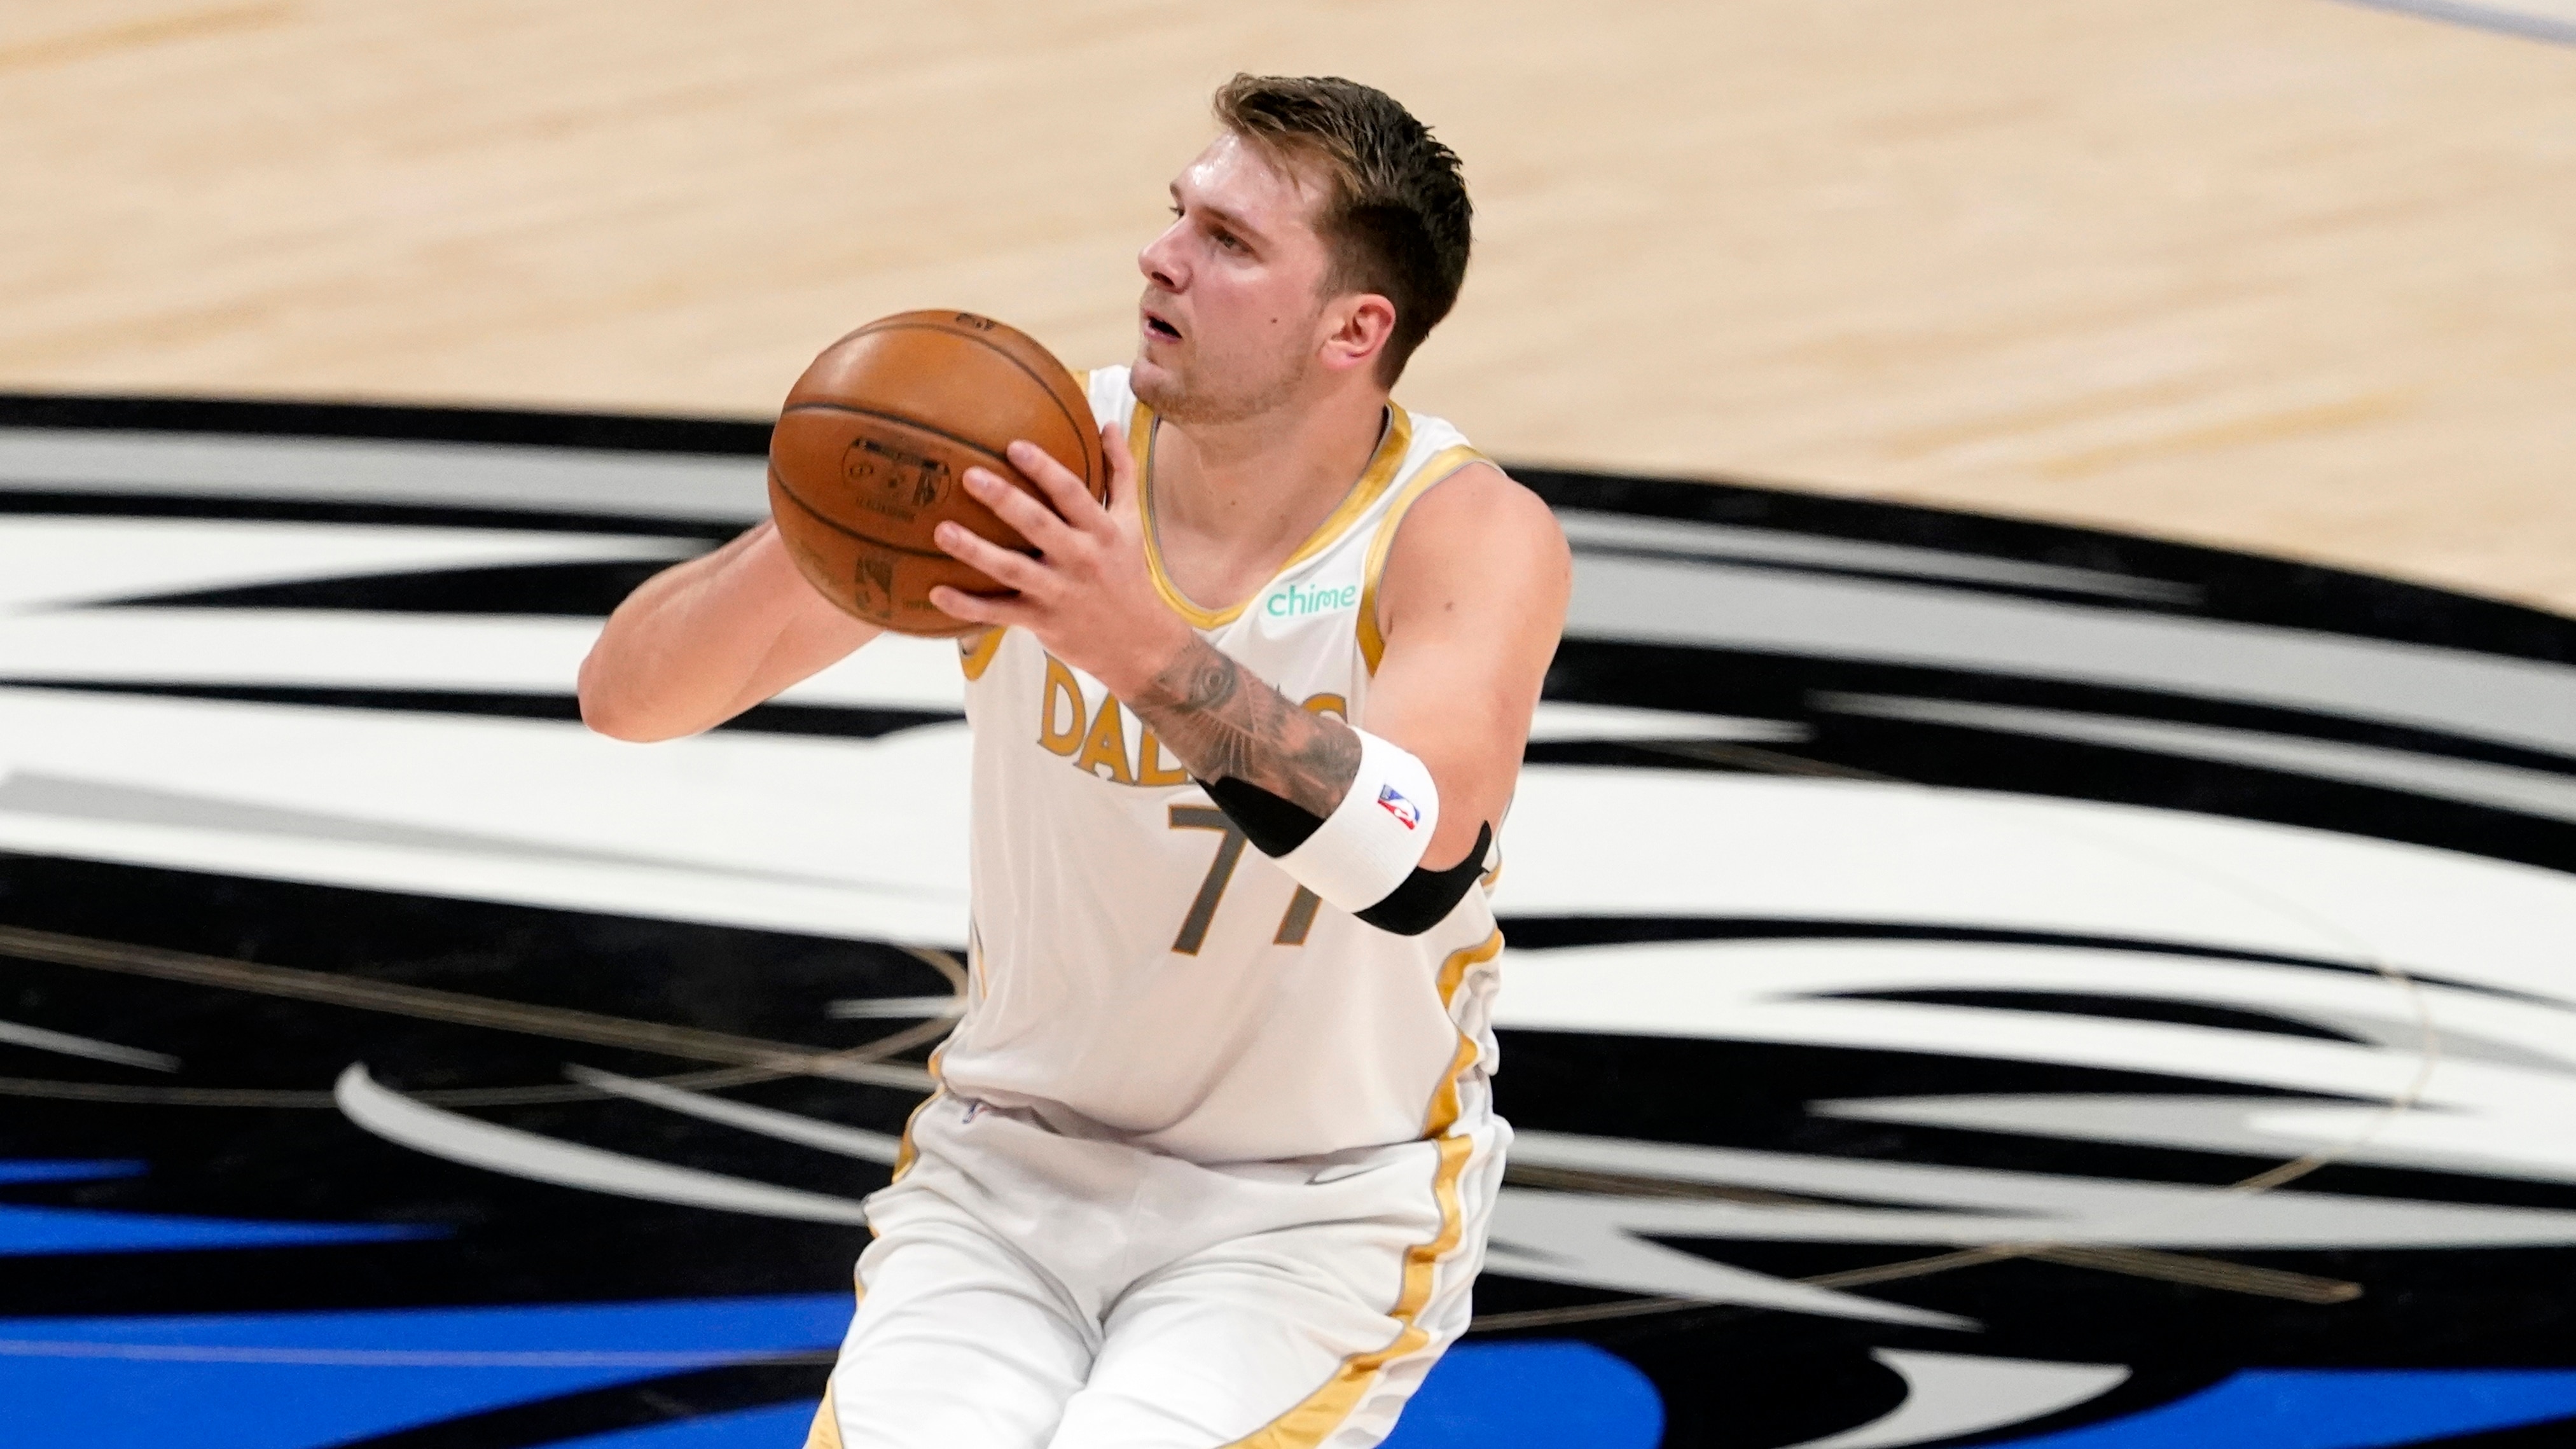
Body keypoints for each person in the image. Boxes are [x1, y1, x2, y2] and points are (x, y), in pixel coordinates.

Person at [578, 73, 1570, 1449]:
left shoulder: (1462, 533)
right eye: (1180, 213)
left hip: (1314, 1206)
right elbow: (628, 697)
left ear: (1358, 327)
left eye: (1230, 242)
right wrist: (837, 513)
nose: (1164, 255)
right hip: (1014, 1163)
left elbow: (1414, 862)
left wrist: (1136, 644)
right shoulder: (1038, 467)